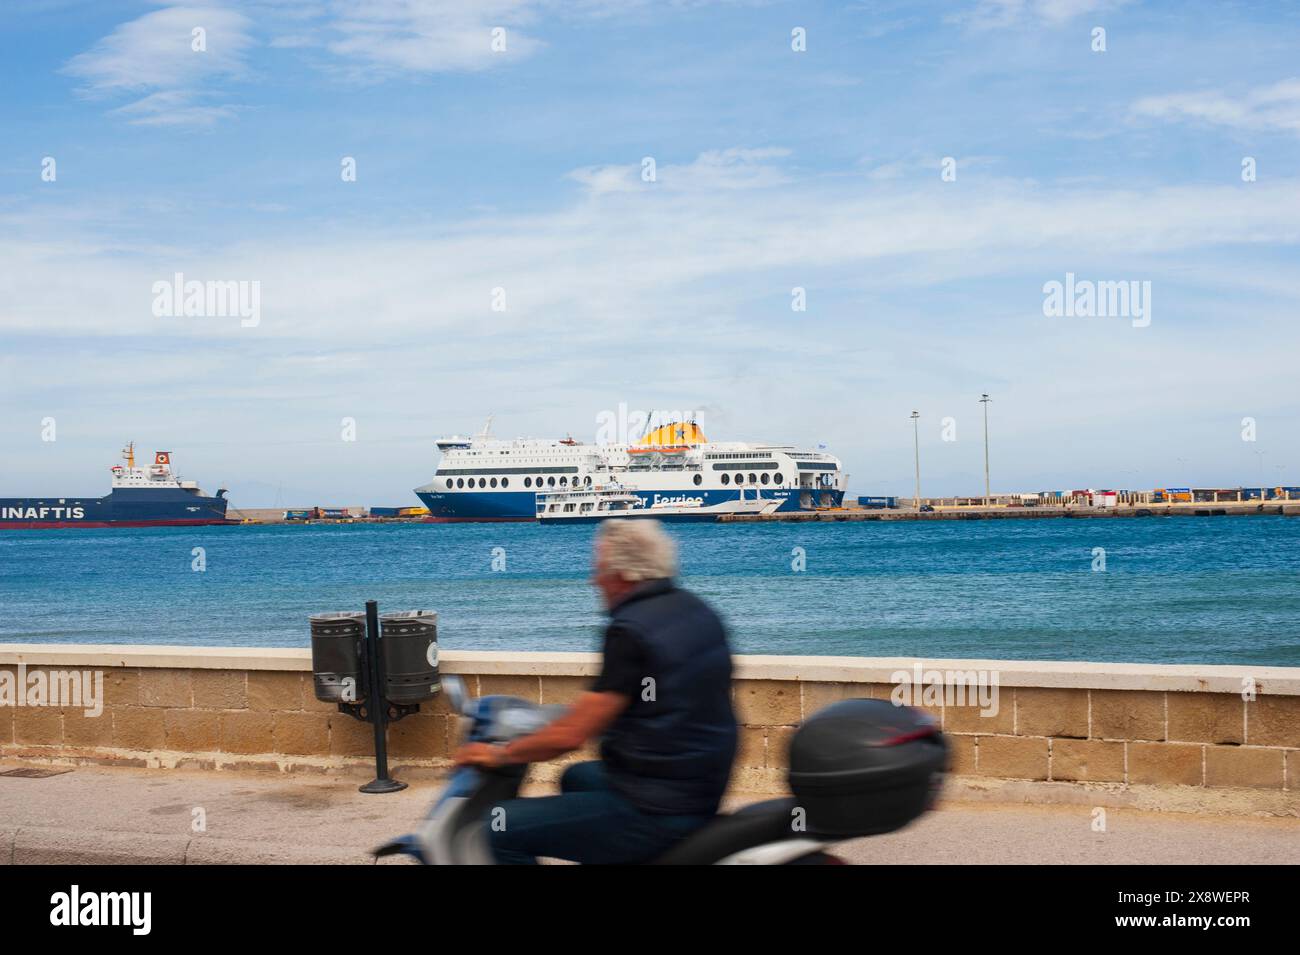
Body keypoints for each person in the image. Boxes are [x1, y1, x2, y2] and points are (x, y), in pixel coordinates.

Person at [454, 518, 738, 864]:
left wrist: (497, 754)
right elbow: (637, 701)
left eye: (599, 569)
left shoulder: (630, 631)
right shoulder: (694, 609)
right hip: (699, 784)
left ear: (622, 575)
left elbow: (570, 737)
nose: (593, 579)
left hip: (658, 806)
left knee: (496, 830)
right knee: (577, 777)